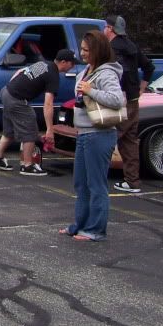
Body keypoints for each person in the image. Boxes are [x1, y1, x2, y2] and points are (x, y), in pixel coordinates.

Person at [59, 30, 125, 242]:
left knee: (96, 184)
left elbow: (116, 100)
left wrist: (90, 91)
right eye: (82, 49)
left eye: (87, 50)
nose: (83, 53)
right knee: (81, 183)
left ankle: (95, 230)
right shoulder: (88, 70)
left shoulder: (107, 73)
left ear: (98, 51)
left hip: (99, 134)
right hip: (85, 133)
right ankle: (79, 225)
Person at [0, 49, 78, 177]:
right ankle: (27, 165)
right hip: (16, 98)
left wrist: (14, 86)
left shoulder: (44, 64)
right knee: (30, 128)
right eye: (72, 63)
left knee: (9, 130)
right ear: (64, 62)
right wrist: (49, 130)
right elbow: (48, 104)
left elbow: (20, 71)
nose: (73, 66)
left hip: (7, 91)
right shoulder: (53, 74)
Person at [104, 15, 155, 194]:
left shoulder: (112, 48)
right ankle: (132, 181)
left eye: (105, 27)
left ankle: (96, 175)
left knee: (108, 136)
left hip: (120, 100)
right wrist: (141, 88)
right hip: (133, 100)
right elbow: (149, 67)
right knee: (129, 141)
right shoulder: (132, 46)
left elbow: (120, 71)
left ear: (110, 29)